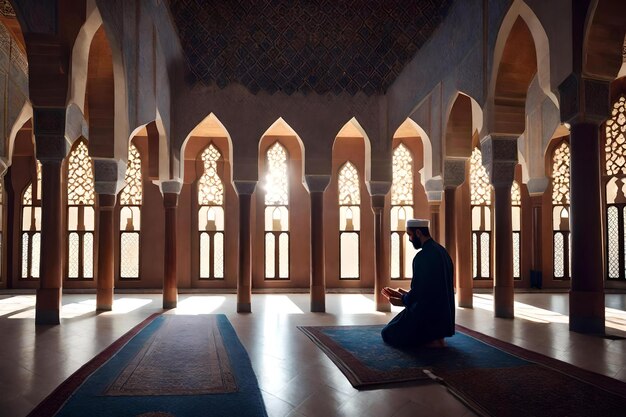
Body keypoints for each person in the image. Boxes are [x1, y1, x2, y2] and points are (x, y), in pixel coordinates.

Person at [381, 218, 455, 348]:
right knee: (396, 324)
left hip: (426, 315)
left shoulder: (422, 257)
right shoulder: (442, 251)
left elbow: (420, 292)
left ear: (418, 233)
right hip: (443, 319)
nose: (409, 239)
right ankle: (437, 337)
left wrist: (401, 300)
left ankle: (428, 340)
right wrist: (402, 294)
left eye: (410, 234)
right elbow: (431, 288)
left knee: (387, 333)